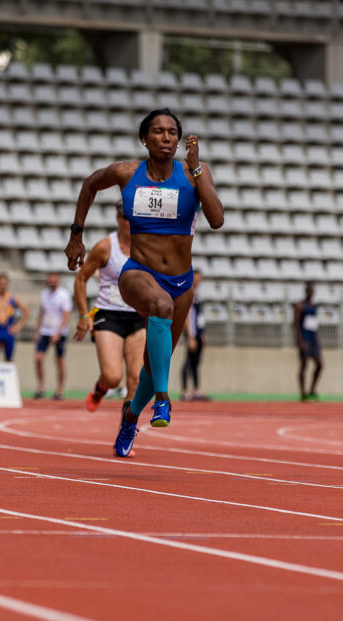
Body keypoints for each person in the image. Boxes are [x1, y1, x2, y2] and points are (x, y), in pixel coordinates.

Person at [64, 108, 224, 457]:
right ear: (144, 139)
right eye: (157, 131)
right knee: (160, 307)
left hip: (181, 282)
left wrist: (197, 169)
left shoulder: (193, 172)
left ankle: (129, 415)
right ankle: (164, 401)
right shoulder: (126, 173)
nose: (166, 138)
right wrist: (77, 235)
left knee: (154, 366)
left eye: (171, 132)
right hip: (138, 274)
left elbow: (216, 219)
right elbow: (90, 183)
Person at [72, 200, 146, 411]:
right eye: (127, 218)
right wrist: (84, 315)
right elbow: (81, 278)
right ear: (118, 219)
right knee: (113, 377)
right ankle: (101, 388)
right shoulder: (106, 246)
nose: (131, 223)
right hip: (109, 315)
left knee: (135, 380)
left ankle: (126, 431)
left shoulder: (147, 246)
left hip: (138, 317)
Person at [34, 272, 73, 399]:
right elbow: (42, 313)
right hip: (45, 330)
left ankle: (59, 389)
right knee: (38, 358)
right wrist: (37, 330)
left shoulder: (64, 295)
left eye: (54, 280)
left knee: (59, 360)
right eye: (50, 280)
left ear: (58, 280)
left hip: (59, 332)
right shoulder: (43, 294)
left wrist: (58, 332)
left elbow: (66, 315)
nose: (52, 282)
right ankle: (40, 387)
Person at [293, 282, 322, 402]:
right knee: (304, 365)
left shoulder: (313, 307)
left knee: (320, 364)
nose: (311, 293)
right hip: (304, 338)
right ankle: (303, 393)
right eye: (309, 290)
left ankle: (312, 389)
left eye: (312, 291)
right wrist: (299, 340)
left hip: (313, 338)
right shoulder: (300, 306)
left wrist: (316, 338)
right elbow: (295, 324)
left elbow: (313, 325)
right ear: (306, 291)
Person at [181, 270, 208, 401]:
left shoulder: (197, 294)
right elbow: (186, 316)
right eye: (197, 278)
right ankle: (185, 390)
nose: (199, 281)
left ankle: (196, 389)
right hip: (191, 332)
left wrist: (202, 333)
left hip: (197, 332)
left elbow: (199, 316)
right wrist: (190, 336)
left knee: (196, 362)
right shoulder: (188, 293)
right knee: (189, 361)